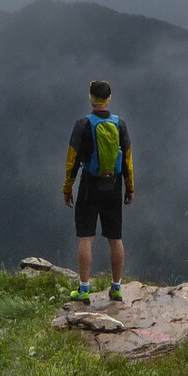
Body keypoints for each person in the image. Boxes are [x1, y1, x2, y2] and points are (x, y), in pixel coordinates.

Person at [62, 80, 134, 304]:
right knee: (115, 238)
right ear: (109, 99)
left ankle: (84, 289)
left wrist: (68, 187)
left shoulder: (82, 124)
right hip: (113, 185)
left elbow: (72, 160)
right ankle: (116, 287)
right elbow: (128, 160)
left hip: (89, 185)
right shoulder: (119, 124)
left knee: (86, 237)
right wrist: (129, 187)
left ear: (91, 98)